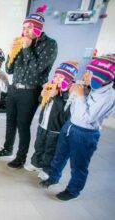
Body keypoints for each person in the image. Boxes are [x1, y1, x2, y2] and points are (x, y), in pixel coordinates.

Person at [0, 4, 58, 170]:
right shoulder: (20, 43)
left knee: (23, 125)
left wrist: (27, 48)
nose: (25, 31)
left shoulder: (49, 44)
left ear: (38, 28)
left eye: (29, 27)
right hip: (14, 89)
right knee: (10, 122)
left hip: (31, 91)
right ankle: (7, 149)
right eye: (24, 27)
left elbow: (37, 69)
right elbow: (9, 69)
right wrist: (12, 53)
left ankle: (20, 158)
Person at [39, 55, 115, 201]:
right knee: (59, 155)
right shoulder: (91, 87)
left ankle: (73, 191)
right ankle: (53, 177)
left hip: (85, 133)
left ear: (100, 77)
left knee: (78, 165)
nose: (85, 75)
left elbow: (88, 118)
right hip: (70, 125)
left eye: (89, 73)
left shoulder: (108, 96)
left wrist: (80, 95)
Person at [24, 61, 78, 179]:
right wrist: (43, 95)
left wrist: (55, 96)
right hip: (43, 124)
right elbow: (43, 103)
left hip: (55, 129)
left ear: (68, 78)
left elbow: (66, 114)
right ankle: (36, 163)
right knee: (39, 144)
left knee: (50, 149)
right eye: (56, 76)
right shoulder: (51, 86)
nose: (57, 79)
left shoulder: (70, 93)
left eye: (61, 77)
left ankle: (47, 169)